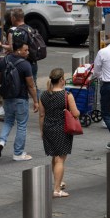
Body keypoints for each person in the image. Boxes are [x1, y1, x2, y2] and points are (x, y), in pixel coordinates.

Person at [0, 40, 39, 161]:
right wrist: (36, 101)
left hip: (7, 98)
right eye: (25, 50)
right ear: (18, 50)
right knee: (22, 125)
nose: (27, 52)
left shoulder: (4, 61)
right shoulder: (25, 65)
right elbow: (30, 85)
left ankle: (2, 142)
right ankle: (18, 153)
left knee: (8, 121)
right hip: (20, 99)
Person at [39, 68, 79, 197]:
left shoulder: (44, 95)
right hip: (62, 129)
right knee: (60, 159)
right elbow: (75, 113)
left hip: (48, 128)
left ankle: (59, 182)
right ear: (61, 79)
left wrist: (41, 130)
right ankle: (57, 189)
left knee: (54, 157)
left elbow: (41, 115)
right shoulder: (67, 96)